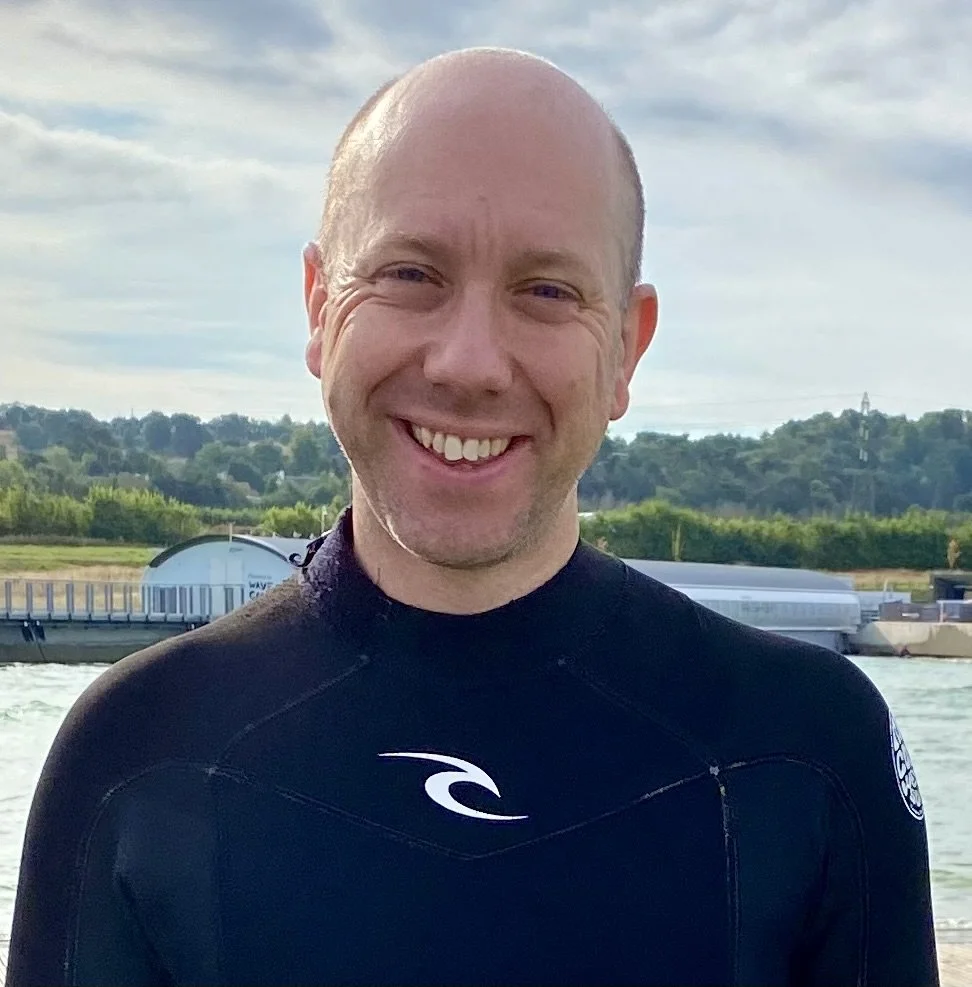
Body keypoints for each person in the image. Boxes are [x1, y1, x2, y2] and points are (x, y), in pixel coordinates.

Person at [6, 48, 938, 987]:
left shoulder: (806, 751)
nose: (469, 362)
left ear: (628, 347)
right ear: (321, 308)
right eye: (411, 273)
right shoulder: (139, 750)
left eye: (546, 291)